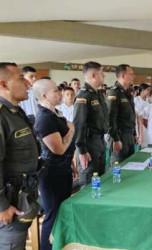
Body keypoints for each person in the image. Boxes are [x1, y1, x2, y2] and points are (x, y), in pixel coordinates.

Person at [0, 63, 40, 249]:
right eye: (20, 79)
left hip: (22, 194)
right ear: (4, 84)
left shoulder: (16, 112)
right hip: (9, 203)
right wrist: (2, 206)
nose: (27, 83)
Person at [33, 79, 76, 250]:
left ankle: (60, 244)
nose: (59, 93)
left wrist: (71, 164)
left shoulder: (55, 112)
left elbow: (65, 146)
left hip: (63, 168)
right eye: (55, 91)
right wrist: (72, 130)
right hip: (51, 171)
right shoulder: (44, 118)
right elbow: (58, 149)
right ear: (44, 96)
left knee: (62, 211)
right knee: (52, 214)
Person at [74, 61, 108, 185]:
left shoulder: (97, 94)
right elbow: (79, 124)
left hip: (99, 141)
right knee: (89, 182)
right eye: (101, 73)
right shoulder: (84, 95)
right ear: (93, 75)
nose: (104, 76)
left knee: (101, 180)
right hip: (89, 144)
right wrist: (82, 151)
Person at [107, 64, 140, 164]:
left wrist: (134, 133)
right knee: (119, 166)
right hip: (120, 135)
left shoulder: (128, 92)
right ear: (123, 76)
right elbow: (110, 119)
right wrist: (115, 139)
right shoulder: (114, 92)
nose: (133, 76)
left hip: (129, 135)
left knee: (129, 165)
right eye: (131, 74)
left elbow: (131, 115)